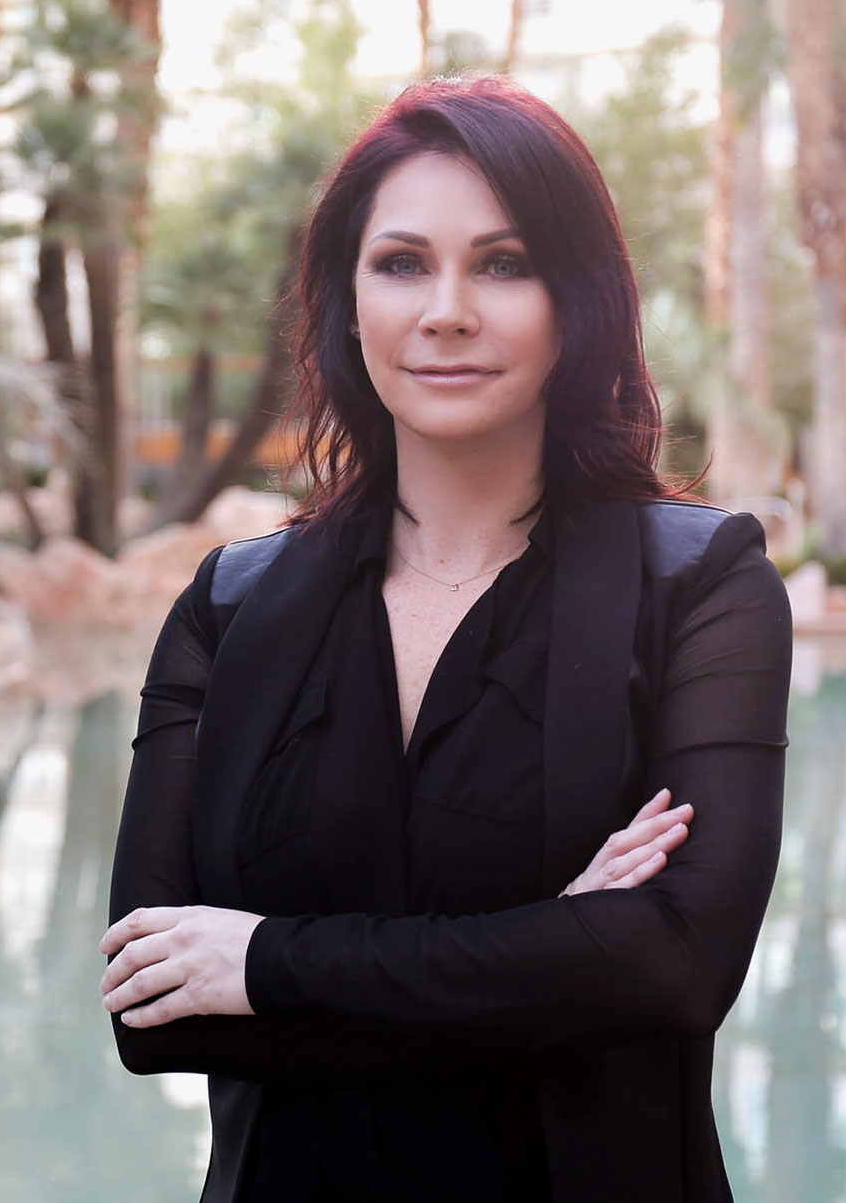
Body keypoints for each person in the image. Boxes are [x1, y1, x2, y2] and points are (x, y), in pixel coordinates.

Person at [100, 76, 792, 1203]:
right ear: (346, 297)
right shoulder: (230, 604)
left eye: (504, 264)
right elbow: (151, 1011)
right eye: (402, 262)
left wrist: (264, 965)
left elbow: (674, 969)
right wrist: (553, 950)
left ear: (577, 297)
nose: (447, 311)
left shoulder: (701, 585)